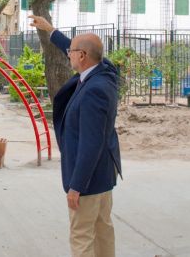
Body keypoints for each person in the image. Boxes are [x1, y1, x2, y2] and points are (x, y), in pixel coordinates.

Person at [29, 15, 122, 257]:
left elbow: (91, 143)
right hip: (103, 175)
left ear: (82, 57)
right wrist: (51, 31)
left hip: (89, 179)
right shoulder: (104, 71)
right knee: (103, 231)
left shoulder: (94, 90)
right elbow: (86, 48)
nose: (67, 53)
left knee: (82, 236)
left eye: (71, 51)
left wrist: (76, 185)